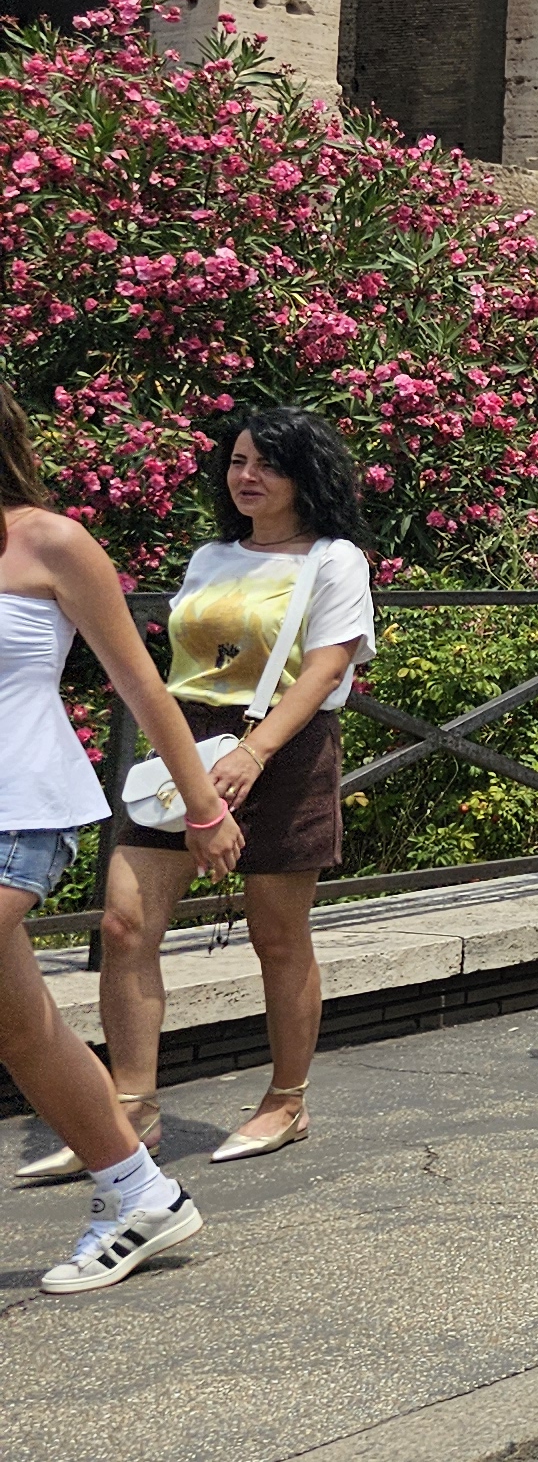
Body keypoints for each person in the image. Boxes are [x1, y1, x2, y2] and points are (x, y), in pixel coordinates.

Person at [86, 408, 374, 1174]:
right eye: (238, 461)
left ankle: (286, 1098)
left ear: (304, 476)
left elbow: (327, 666)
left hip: (281, 745)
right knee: (124, 924)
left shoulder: (335, 559)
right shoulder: (211, 554)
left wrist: (255, 751)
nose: (246, 477)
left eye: (267, 465)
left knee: (277, 936)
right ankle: (131, 1108)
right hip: (186, 742)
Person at [0, 386, 242, 1294]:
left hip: (21, 805)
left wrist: (204, 809)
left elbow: (143, 688)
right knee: (23, 1031)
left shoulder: (50, 541)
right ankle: (138, 1192)